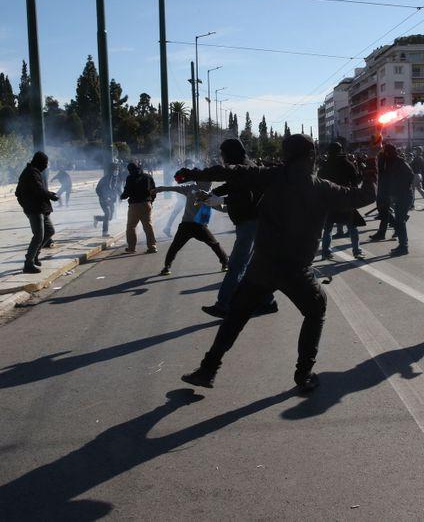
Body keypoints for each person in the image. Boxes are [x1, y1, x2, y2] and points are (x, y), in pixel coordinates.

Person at [176, 134, 374, 391]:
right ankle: (303, 376)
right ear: (311, 156)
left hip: (263, 265)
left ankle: (207, 369)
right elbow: (366, 195)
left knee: (236, 316)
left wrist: (193, 173)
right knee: (316, 310)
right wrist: (372, 168)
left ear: (286, 155)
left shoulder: (271, 175)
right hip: (295, 269)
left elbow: (235, 171)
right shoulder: (322, 188)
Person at [201, 139, 277, 319]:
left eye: (223, 153)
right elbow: (232, 186)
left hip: (250, 221)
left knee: (236, 264)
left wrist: (222, 200)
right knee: (252, 267)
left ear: (231, 153)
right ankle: (267, 302)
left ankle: (223, 305)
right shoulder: (241, 167)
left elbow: (246, 196)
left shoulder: (244, 168)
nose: (222, 157)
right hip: (249, 221)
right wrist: (212, 194)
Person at [152, 180, 228, 276]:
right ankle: (225, 263)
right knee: (214, 244)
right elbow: (222, 208)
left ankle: (167, 267)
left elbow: (174, 188)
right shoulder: (209, 194)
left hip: (186, 225)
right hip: (199, 226)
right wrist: (236, 208)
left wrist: (159, 189)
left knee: (174, 247)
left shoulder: (191, 188)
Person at [318, 142, 366, 259]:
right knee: (352, 227)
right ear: (341, 150)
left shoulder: (326, 165)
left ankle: (326, 252)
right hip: (345, 198)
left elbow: (319, 182)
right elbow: (355, 182)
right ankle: (356, 251)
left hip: (330, 200)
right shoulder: (347, 164)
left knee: (328, 228)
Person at [15, 151, 58, 274]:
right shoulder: (31, 172)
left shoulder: (34, 171)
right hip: (34, 209)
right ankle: (28, 263)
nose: (46, 166)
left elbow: (36, 189)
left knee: (50, 231)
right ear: (40, 162)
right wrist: (50, 196)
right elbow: (38, 190)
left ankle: (35, 255)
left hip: (40, 208)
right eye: (45, 163)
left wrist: (48, 194)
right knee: (38, 235)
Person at [120, 161, 157, 254]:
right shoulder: (148, 177)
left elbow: (127, 192)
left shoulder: (130, 178)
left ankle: (131, 247)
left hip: (134, 205)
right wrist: (151, 201)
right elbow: (154, 191)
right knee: (148, 226)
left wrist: (121, 196)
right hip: (146, 204)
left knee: (131, 227)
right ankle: (152, 246)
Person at [94, 164, 119, 237]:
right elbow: (97, 189)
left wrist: (116, 197)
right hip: (103, 200)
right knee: (107, 214)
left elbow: (114, 189)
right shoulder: (105, 179)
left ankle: (97, 218)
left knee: (110, 217)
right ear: (111, 170)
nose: (117, 171)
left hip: (110, 200)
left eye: (117, 169)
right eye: (115, 169)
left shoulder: (115, 178)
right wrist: (104, 197)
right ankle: (104, 232)